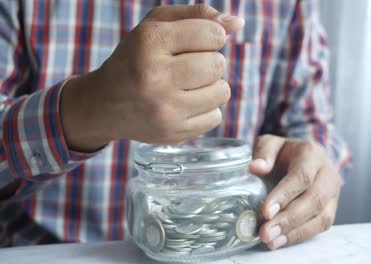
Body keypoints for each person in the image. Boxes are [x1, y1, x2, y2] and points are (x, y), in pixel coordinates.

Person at [0, 1, 350, 251]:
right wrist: (88, 108)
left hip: (231, 248)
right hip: (44, 250)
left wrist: (309, 164)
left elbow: (313, 125)